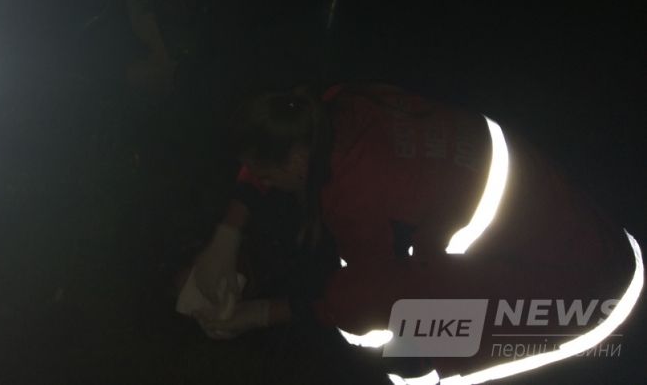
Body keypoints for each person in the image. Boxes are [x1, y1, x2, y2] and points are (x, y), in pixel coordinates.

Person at [185, 83, 642, 383]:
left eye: (267, 176)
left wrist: (256, 314)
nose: (264, 182)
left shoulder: (362, 198)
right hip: (583, 235)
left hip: (583, 302)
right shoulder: (341, 105)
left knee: (401, 351)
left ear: (297, 162)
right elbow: (273, 139)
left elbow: (360, 302)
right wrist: (226, 237)